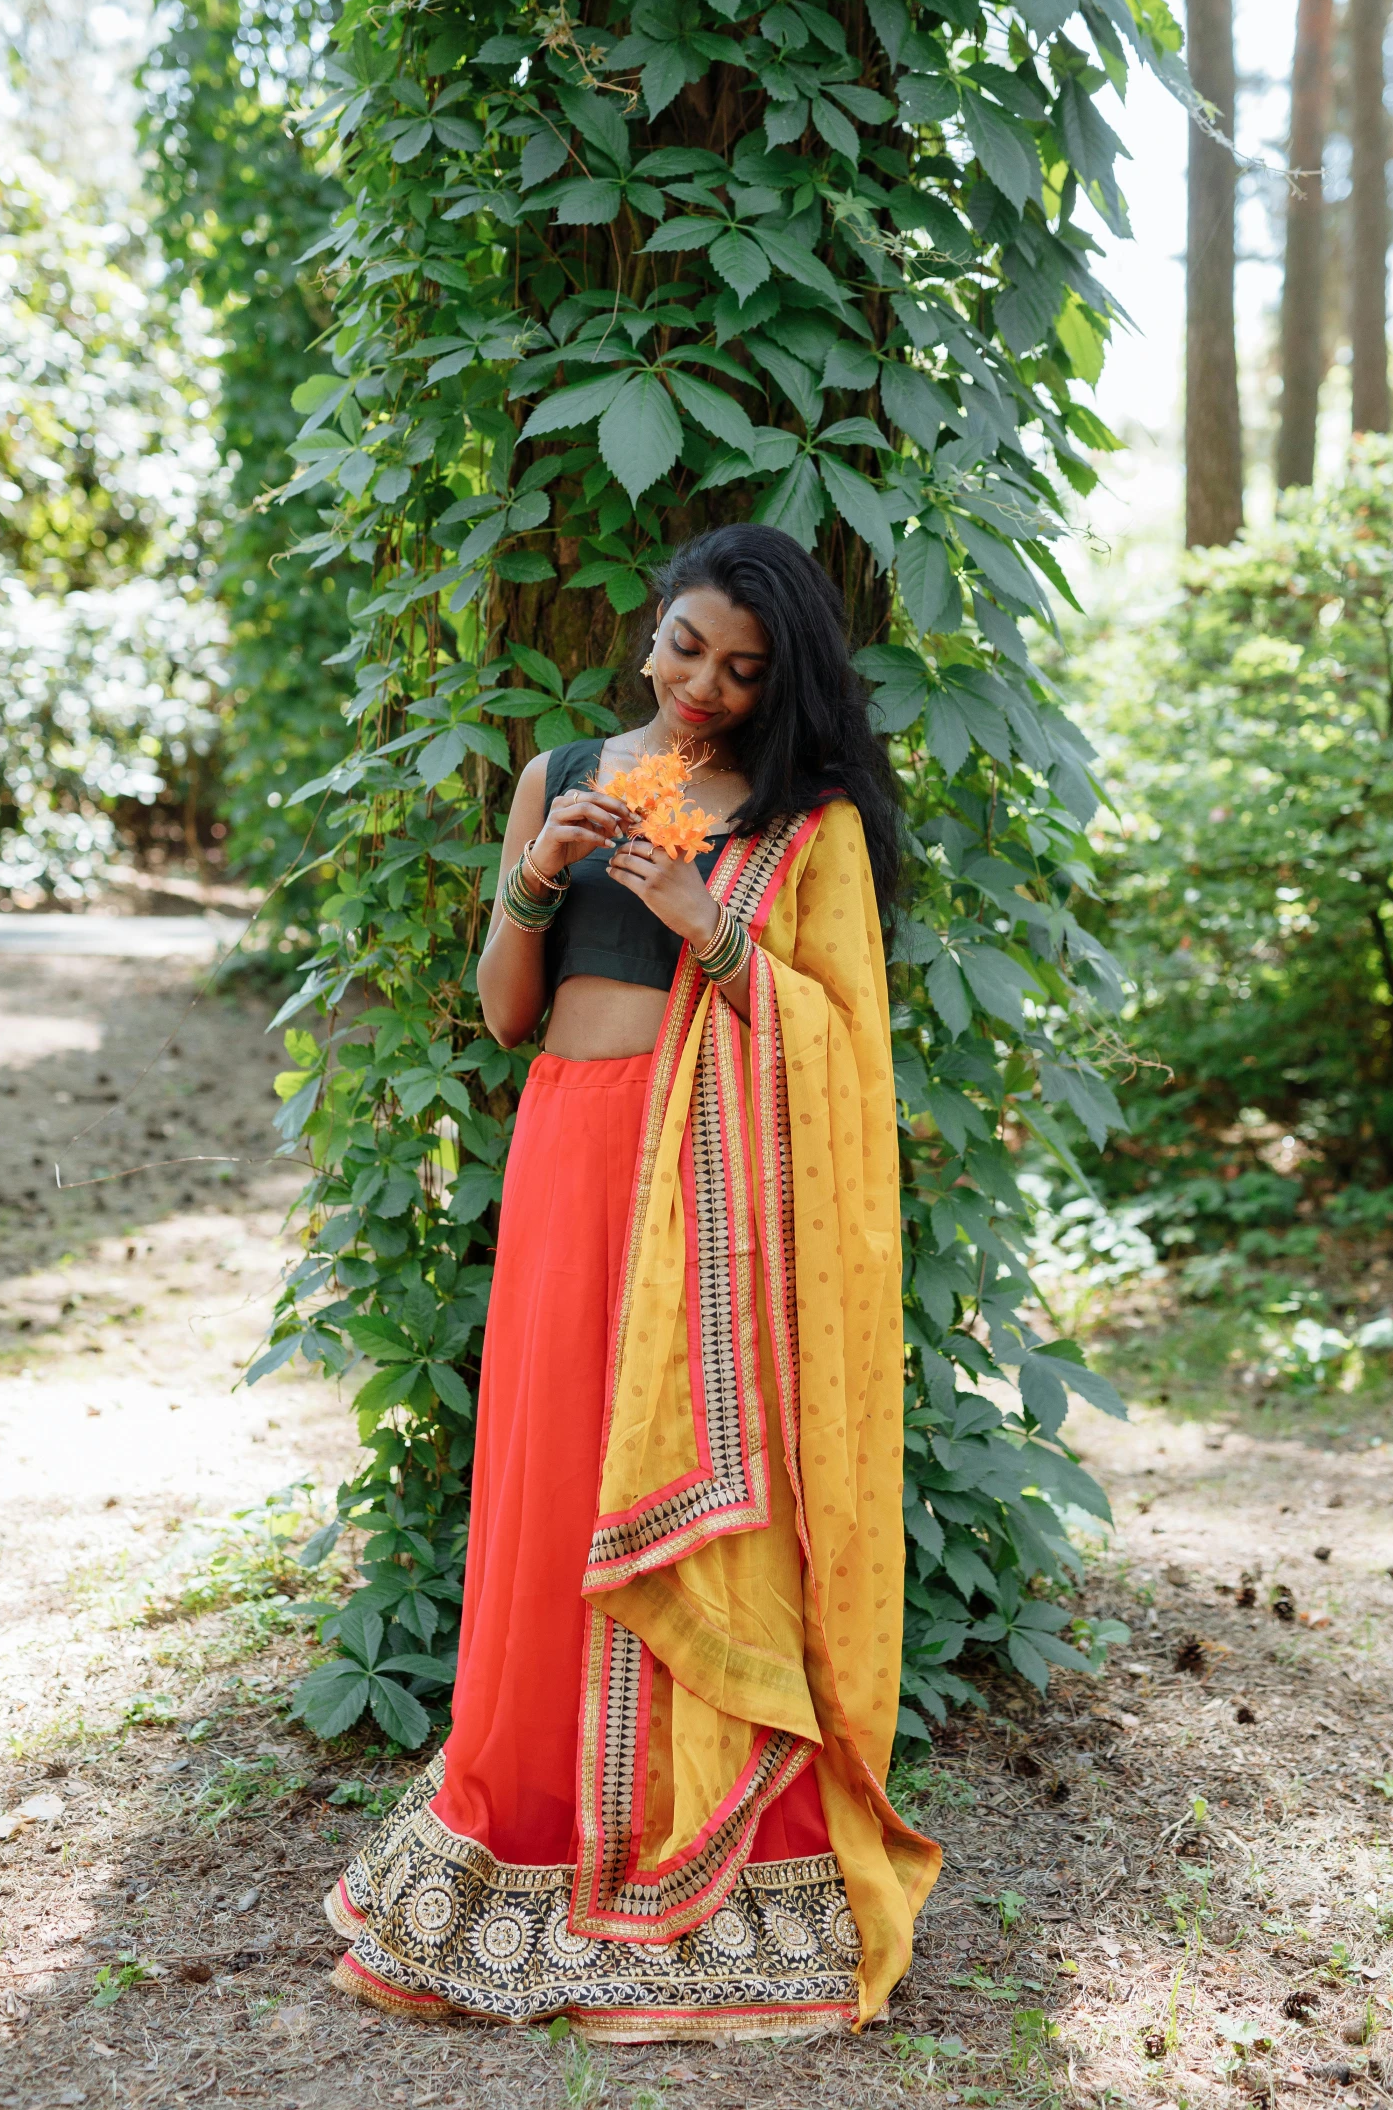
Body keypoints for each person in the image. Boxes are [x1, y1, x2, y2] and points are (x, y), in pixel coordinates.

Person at [323, 523, 939, 2041]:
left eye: (742, 668)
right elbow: (505, 1011)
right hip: (565, 1162)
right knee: (547, 1481)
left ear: (781, 680)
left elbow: (841, 1054)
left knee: (655, 1481)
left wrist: (703, 918)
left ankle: (694, 1839)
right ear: (649, 627)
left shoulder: (804, 821)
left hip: (704, 1206)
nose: (702, 688)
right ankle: (524, 1809)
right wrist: (535, 876)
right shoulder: (563, 774)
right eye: (684, 648)